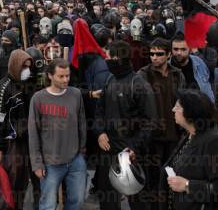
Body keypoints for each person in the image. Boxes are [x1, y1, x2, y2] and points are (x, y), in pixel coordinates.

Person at [94, 41, 157, 210]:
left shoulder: (139, 84)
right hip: (108, 150)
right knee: (107, 199)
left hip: (131, 154)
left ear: (119, 58)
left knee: (138, 200)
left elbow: (150, 122)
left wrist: (134, 147)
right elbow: (99, 110)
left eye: (109, 57)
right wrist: (100, 132)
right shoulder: (109, 79)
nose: (106, 60)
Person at [161, 90, 218, 210]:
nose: (173, 109)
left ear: (190, 113)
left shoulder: (215, 142)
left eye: (177, 107)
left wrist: (187, 185)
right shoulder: (191, 134)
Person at [28, 58, 87, 210]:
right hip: (50, 164)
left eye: (67, 75)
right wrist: (37, 163)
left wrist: (81, 152)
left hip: (75, 161)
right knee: (48, 205)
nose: (66, 79)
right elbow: (33, 133)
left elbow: (82, 124)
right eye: (61, 76)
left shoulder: (76, 94)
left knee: (77, 201)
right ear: (50, 76)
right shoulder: (38, 99)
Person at [137, 37, 187, 195]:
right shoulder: (143, 75)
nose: (154, 57)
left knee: (171, 177)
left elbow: (183, 102)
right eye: (152, 54)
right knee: (152, 180)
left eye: (159, 54)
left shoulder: (177, 75)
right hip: (152, 137)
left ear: (168, 55)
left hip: (174, 135)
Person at [0, 49, 34, 209]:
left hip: (23, 141)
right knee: (6, 186)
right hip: (9, 145)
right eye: (24, 67)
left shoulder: (23, 84)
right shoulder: (3, 88)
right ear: (15, 66)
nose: (27, 70)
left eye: (29, 66)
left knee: (21, 183)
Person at [170, 33, 215, 102]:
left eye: (183, 49)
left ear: (190, 50)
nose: (179, 53)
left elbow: (207, 87)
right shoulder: (167, 68)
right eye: (175, 49)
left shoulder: (199, 63)